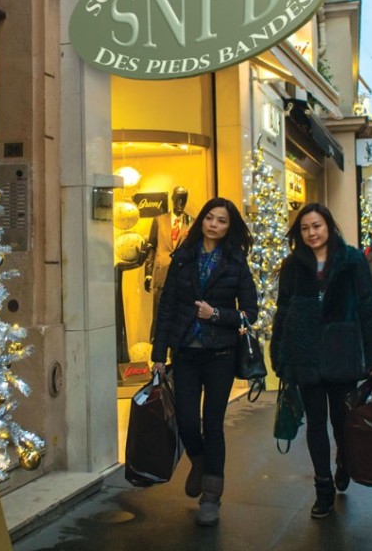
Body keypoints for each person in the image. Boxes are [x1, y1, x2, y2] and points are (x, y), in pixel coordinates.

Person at [270, 203, 372, 519]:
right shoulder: (292, 265)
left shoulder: (352, 261)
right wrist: (279, 351)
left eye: (317, 226)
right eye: (306, 228)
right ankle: (323, 489)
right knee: (315, 423)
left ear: (329, 226)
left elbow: (368, 308)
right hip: (304, 353)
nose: (312, 233)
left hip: (341, 353)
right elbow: (282, 311)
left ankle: (344, 462)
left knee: (341, 420)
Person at [150, 197, 258, 527]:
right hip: (185, 353)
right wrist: (158, 355)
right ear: (202, 222)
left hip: (220, 356)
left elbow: (249, 314)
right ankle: (199, 462)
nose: (214, 224)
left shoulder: (236, 262)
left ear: (230, 226)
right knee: (185, 421)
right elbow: (167, 306)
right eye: (210, 218)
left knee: (212, 425)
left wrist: (217, 315)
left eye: (221, 220)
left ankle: (211, 497)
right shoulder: (183, 257)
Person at [145, 186, 193, 339]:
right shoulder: (159, 220)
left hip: (184, 276)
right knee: (160, 315)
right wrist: (148, 273)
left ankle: (176, 352)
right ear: (172, 199)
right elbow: (151, 247)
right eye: (178, 198)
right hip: (162, 274)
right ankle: (158, 351)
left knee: (180, 317)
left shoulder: (192, 222)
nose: (180, 202)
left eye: (184, 199)